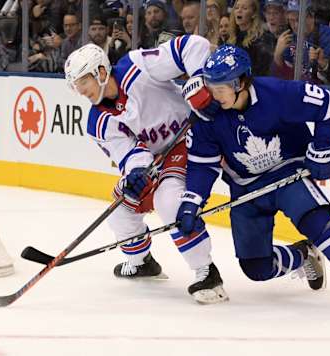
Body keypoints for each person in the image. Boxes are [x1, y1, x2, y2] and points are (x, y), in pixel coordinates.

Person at [175, 44, 330, 310]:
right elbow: (202, 165)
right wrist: (191, 201)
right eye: (210, 86)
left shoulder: (277, 94)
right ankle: (304, 255)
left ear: (241, 82)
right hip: (246, 188)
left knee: (316, 222)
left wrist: (321, 150)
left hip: (287, 171)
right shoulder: (206, 114)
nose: (213, 94)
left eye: (220, 88)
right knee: (256, 268)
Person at [64, 35, 228, 304]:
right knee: (120, 207)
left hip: (191, 136)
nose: (81, 91)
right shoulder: (98, 121)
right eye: (76, 86)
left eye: (84, 82)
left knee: (169, 201)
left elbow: (192, 46)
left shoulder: (137, 66)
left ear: (101, 71)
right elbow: (127, 152)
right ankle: (141, 262)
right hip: (155, 159)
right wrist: (136, 171)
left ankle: (206, 272)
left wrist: (199, 79)